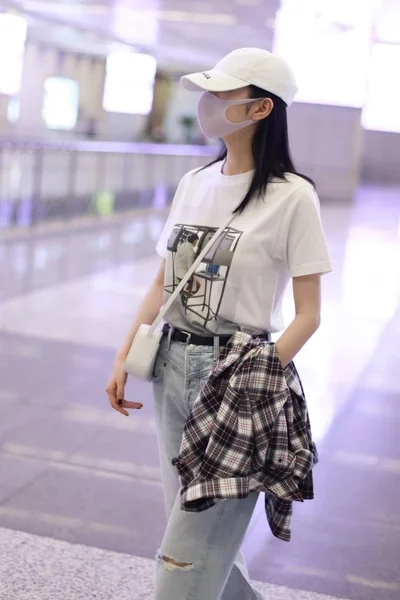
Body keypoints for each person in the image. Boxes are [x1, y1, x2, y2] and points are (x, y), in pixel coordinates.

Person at [106, 48, 332, 600]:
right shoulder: (195, 182)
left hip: (237, 375)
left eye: (223, 93)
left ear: (260, 109)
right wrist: (123, 357)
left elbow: (310, 314)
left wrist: (254, 375)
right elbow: (164, 282)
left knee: (185, 551)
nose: (207, 104)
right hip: (170, 364)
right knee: (196, 533)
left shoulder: (292, 197)